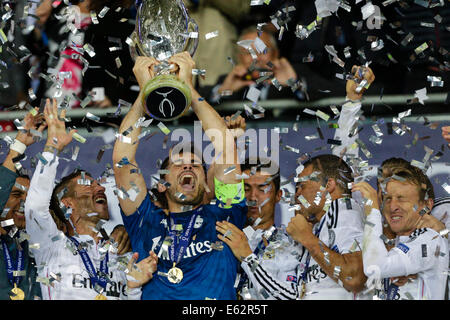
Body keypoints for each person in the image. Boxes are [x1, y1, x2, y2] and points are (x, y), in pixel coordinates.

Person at [113, 52, 247, 300]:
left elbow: (226, 147)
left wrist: (188, 88)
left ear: (207, 185)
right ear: (162, 184)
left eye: (196, 165)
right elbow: (123, 160)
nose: (188, 168)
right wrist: (145, 94)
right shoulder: (144, 220)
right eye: (178, 164)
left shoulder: (226, 213)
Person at [24, 99, 156, 300]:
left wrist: (134, 288)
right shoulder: (51, 246)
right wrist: (52, 147)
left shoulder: (123, 255)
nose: (100, 187)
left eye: (98, 184)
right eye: (88, 184)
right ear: (68, 203)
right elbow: (35, 207)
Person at [355, 167, 449, 300]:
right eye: (388, 199)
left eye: (402, 199)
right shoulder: (399, 247)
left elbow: (374, 267)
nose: (393, 207)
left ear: (426, 205)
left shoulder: (430, 239)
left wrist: (372, 212)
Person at [0, 109, 46, 300]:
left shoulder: (39, 248)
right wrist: (18, 146)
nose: (23, 203)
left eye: (29, 198)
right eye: (17, 194)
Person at [209, 27, 303, 103]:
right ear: (239, 58)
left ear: (275, 54)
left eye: (262, 51)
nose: (256, 59)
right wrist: (221, 92)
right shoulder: (226, 81)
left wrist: (295, 84)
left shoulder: (295, 75)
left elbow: (315, 93)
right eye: (249, 53)